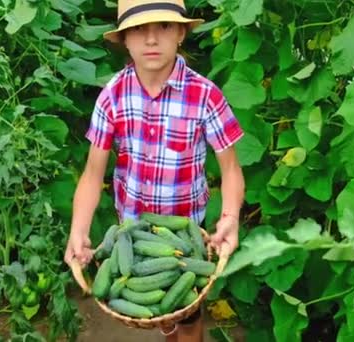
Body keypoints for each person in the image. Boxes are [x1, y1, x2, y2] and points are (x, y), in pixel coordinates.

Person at [63, 0, 245, 340]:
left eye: (162, 27)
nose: (150, 39)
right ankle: (169, 329)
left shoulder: (206, 95)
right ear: (125, 40)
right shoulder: (112, 95)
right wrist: (79, 229)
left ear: (179, 33)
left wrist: (230, 218)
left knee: (188, 315)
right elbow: (92, 174)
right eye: (138, 30)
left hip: (187, 234)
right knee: (163, 313)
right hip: (132, 231)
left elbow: (231, 170)